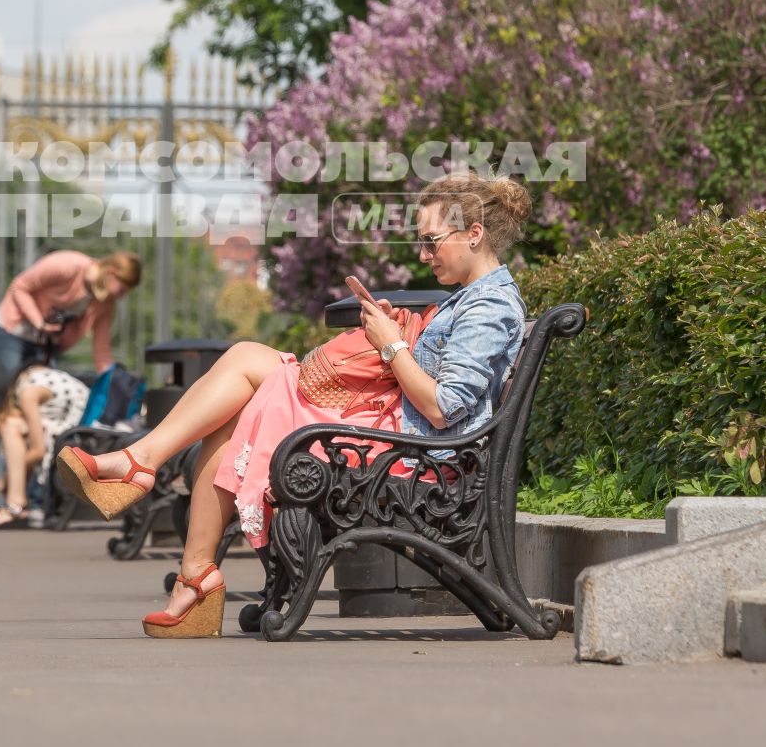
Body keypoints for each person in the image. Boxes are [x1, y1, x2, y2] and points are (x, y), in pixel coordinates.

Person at [57, 172, 531, 637]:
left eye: (432, 241)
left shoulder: (489, 306)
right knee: (243, 382)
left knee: (246, 381)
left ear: (474, 233)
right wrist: (397, 329)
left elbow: (443, 408)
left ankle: (166, 519)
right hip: (393, 435)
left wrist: (391, 345)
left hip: (415, 457)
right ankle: (170, 527)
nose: (424, 255)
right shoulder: (469, 299)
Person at [0, 249, 141, 523]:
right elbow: (19, 286)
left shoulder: (104, 303)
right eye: (122, 288)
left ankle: (28, 502)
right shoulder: (67, 266)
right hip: (13, 332)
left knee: (39, 421)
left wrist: (117, 386)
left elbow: (101, 353)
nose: (121, 295)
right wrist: (40, 321)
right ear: (110, 273)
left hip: (44, 344)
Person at [0, 363, 91, 529]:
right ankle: (17, 503)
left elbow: (38, 451)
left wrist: (5, 479)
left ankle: (15, 504)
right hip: (82, 428)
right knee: (16, 425)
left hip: (79, 433)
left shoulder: (27, 393)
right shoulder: (31, 378)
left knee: (10, 425)